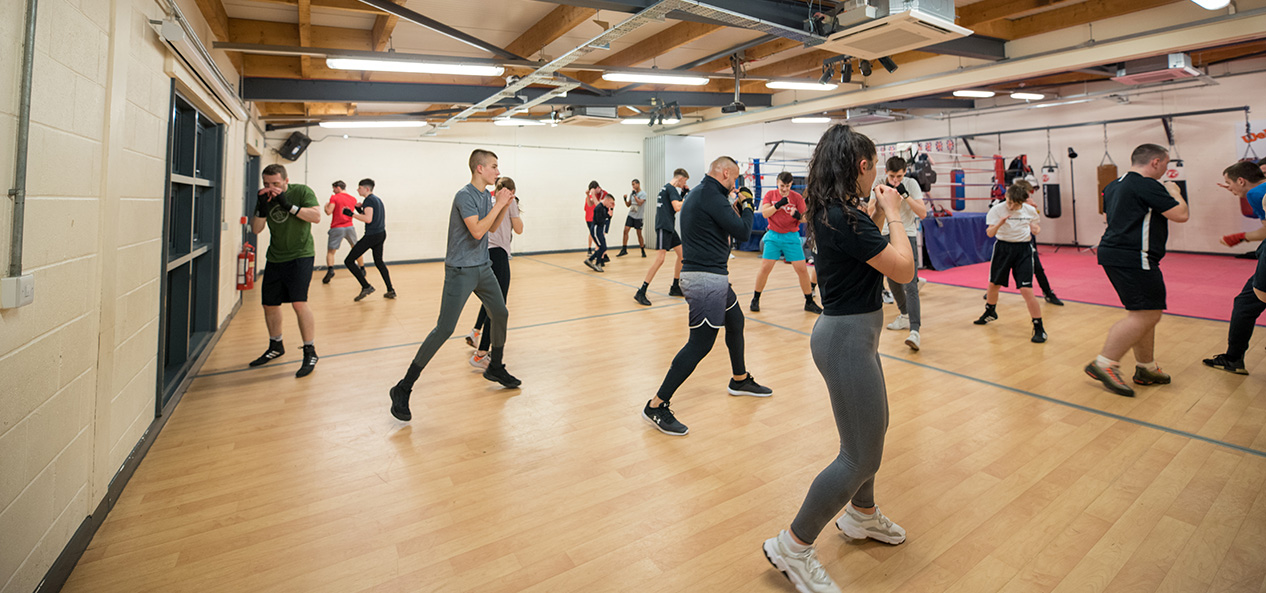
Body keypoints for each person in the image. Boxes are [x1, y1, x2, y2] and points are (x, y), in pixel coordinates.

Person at [762, 125, 915, 593]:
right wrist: (893, 214)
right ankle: (793, 544)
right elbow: (904, 270)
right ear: (864, 167)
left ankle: (861, 515)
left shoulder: (839, 210)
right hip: (845, 340)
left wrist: (872, 212)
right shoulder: (847, 217)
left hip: (854, 337)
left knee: (875, 430)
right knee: (859, 453)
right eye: (874, 170)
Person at [388, 149, 521, 422]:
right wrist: (498, 204)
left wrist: (503, 205)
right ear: (480, 168)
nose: (498, 172)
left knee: (501, 313)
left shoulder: (486, 196)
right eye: (494, 167)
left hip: (483, 267)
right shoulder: (464, 196)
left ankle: (495, 366)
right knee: (444, 328)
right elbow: (476, 231)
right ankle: (403, 387)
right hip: (461, 270)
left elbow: (492, 228)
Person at [641, 158, 769, 437]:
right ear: (725, 173)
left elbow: (721, 224)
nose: (735, 185)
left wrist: (734, 205)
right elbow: (744, 230)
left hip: (713, 277)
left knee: (735, 320)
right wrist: (747, 204)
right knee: (700, 344)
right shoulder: (711, 195)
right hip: (705, 280)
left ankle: (739, 379)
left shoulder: (703, 193)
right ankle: (656, 405)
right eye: (734, 179)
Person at [1085, 144, 1189, 397]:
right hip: (1134, 255)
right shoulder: (1147, 184)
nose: (1166, 170)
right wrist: (1175, 191)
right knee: (1146, 315)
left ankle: (1146, 367)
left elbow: (1110, 220)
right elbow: (1181, 215)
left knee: (1143, 312)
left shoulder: (1112, 185)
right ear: (1155, 162)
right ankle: (1105, 363)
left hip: (1116, 252)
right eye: (1165, 164)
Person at [248, 163, 322, 378]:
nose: (271, 188)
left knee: (299, 302)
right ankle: (276, 346)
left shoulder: (302, 192)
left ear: (286, 181)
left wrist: (288, 206)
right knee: (269, 304)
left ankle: (310, 350)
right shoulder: (265, 198)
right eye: (267, 184)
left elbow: (316, 217)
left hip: (301, 255)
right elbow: (256, 229)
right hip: (275, 256)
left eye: (276, 184)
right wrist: (262, 207)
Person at [1203, 161, 1266, 374]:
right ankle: (1233, 359)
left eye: (1230, 183)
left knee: (1253, 300)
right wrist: (1241, 237)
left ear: (1242, 180)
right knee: (1245, 303)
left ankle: (1233, 359)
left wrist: (1240, 237)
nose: (1229, 188)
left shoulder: (1256, 193)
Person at [972, 183, 1048, 344]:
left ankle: (1039, 326)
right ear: (1005, 198)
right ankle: (990, 312)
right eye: (1009, 202)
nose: (1012, 206)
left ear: (1022, 202)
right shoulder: (997, 210)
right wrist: (1000, 223)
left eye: (1016, 204)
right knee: (993, 284)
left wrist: (1035, 229)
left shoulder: (1029, 211)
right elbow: (990, 233)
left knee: (1026, 289)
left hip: (1023, 250)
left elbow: (1037, 229)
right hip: (1003, 249)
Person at [871, 157, 927, 351]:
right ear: (886, 172)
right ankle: (904, 315)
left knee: (910, 282)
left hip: (906, 234)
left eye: (899, 176)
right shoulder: (878, 183)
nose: (895, 180)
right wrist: (881, 199)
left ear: (905, 173)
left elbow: (923, 213)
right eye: (892, 176)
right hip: (884, 234)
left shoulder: (911, 184)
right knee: (892, 278)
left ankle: (915, 331)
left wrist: (906, 196)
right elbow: (871, 211)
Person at [750, 171, 823, 315]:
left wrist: (797, 215)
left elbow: (805, 218)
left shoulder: (796, 197)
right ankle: (755, 299)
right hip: (773, 236)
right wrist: (777, 205)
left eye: (788, 186)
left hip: (791, 237)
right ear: (778, 183)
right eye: (782, 186)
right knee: (765, 268)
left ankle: (809, 301)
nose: (785, 189)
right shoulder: (770, 195)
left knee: (802, 269)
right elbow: (765, 213)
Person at [469, 177, 523, 368]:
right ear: (511, 190)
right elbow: (519, 229)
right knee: (498, 306)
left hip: (484, 254)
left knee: (491, 300)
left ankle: (476, 333)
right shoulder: (510, 202)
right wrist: (514, 210)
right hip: (499, 254)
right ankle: (481, 353)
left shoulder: (488, 201)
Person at [633, 168, 689, 306]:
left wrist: (683, 193)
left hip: (668, 227)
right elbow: (677, 206)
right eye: (685, 182)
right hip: (664, 226)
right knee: (660, 259)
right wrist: (688, 198)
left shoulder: (666, 188)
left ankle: (675, 287)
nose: (684, 184)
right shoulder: (671, 189)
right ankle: (641, 291)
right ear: (680, 178)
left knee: (682, 255)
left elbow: (673, 205)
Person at [340, 178, 396, 301]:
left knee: (349, 261)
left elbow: (368, 219)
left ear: (366, 189)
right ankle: (390, 290)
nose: (357, 189)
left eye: (359, 188)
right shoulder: (376, 199)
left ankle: (366, 286)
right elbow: (371, 217)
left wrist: (351, 214)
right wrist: (359, 209)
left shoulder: (369, 200)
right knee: (379, 262)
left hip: (372, 236)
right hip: (380, 234)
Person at [1015, 178, 1064, 306]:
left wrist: (1032, 209)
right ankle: (992, 291)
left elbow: (1035, 219)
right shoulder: (1010, 203)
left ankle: (1048, 293)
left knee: (1037, 268)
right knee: (1002, 267)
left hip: (1027, 240)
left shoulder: (1030, 203)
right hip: (1012, 240)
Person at [322, 180, 362, 284]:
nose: (333, 191)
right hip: (349, 226)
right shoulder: (353, 199)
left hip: (337, 227)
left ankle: (330, 270)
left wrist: (325, 206)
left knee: (331, 251)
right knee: (356, 248)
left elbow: (328, 212)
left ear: (338, 188)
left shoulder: (334, 197)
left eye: (334, 188)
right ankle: (362, 269)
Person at [585, 187, 613, 272]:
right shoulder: (599, 208)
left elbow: (605, 217)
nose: (611, 205)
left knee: (603, 248)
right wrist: (607, 216)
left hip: (600, 230)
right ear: (607, 200)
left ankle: (590, 260)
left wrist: (609, 214)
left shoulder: (604, 208)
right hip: (596, 230)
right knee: (602, 247)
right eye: (611, 203)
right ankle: (597, 263)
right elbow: (599, 221)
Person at [618, 179, 647, 257]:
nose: (633, 186)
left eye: (634, 184)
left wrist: (635, 195)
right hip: (631, 215)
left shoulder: (643, 194)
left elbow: (640, 203)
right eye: (632, 185)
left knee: (639, 234)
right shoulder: (632, 194)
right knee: (626, 230)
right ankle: (624, 249)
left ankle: (642, 250)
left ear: (638, 184)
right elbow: (628, 205)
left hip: (639, 217)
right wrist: (625, 199)